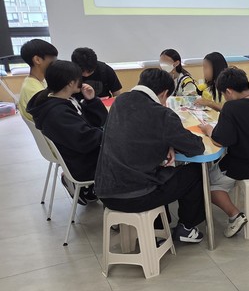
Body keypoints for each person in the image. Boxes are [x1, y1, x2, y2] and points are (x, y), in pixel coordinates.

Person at [95, 68, 207, 243]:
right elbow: (196, 148)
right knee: (195, 172)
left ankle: (159, 226)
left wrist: (168, 143)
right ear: (164, 94)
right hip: (135, 196)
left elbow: (137, 134)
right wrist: (171, 141)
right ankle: (186, 228)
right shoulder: (162, 114)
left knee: (162, 172)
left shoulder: (120, 102)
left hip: (105, 191)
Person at [197, 68, 249, 238]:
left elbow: (220, 140)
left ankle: (235, 215)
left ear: (228, 91)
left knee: (204, 183)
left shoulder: (232, 108)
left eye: (224, 94)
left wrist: (208, 130)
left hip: (246, 165)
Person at [27, 60, 107, 204]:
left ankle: (94, 191)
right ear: (70, 83)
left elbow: (96, 122)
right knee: (130, 156)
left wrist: (91, 100)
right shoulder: (57, 113)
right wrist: (111, 134)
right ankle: (120, 203)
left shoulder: (63, 100)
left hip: (81, 156)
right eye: (79, 78)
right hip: (83, 164)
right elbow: (85, 139)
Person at [18, 39, 58, 122]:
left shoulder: (33, 81)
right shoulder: (34, 90)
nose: (55, 62)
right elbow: (54, 117)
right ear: (37, 60)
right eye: (52, 58)